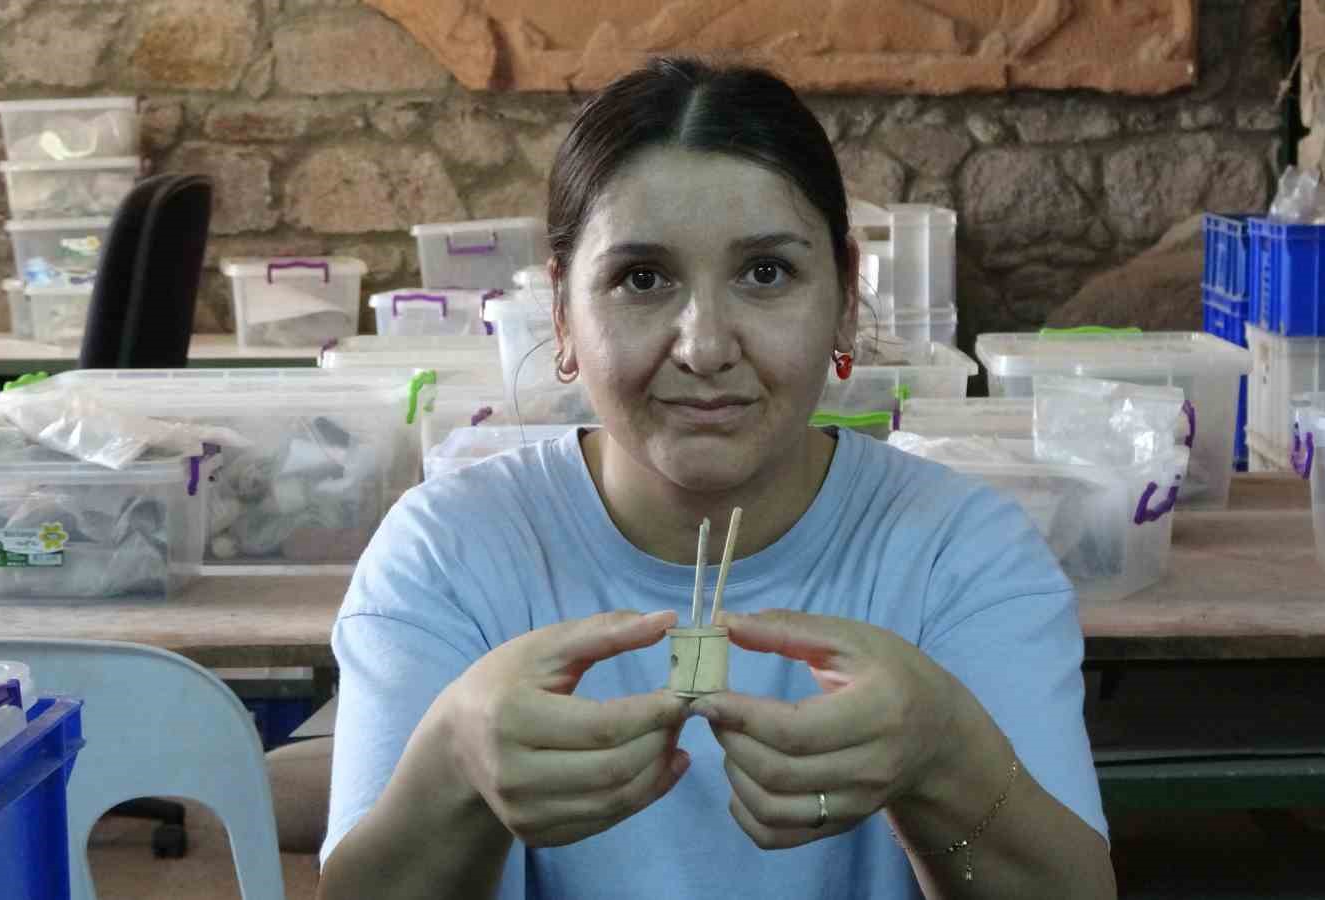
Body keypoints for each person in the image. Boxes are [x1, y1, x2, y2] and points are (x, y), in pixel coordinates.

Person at [317, 57, 1115, 899]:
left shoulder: (962, 554)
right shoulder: (448, 554)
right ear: (561, 314)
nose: (704, 347)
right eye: (641, 279)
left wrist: (947, 754)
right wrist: (452, 765)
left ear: (846, 299)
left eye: (766, 272)